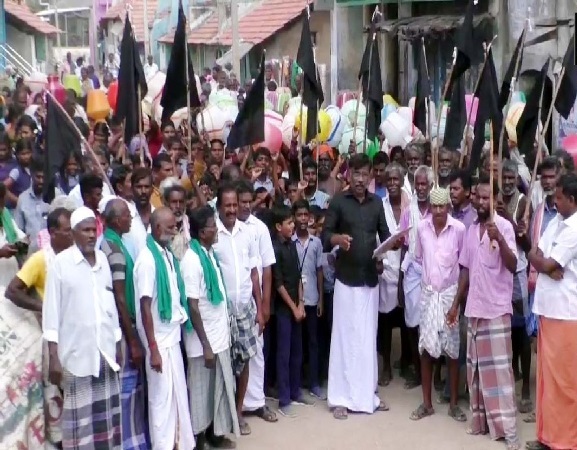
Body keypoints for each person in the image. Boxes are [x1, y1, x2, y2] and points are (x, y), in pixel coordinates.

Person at [43, 206, 122, 450]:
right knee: (81, 427)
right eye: (85, 230)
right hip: (77, 358)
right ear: (74, 234)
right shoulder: (61, 265)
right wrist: (54, 358)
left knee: (107, 423)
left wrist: (117, 343)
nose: (90, 235)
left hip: (105, 354)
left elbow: (110, 306)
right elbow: (51, 315)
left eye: (93, 229)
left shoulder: (103, 263)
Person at [452, 176, 520, 450]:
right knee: (476, 372)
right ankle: (481, 423)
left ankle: (508, 430)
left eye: (486, 198)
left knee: (500, 373)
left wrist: (500, 239)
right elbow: (466, 270)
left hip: (496, 309)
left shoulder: (503, 227)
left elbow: (514, 265)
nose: (481, 202)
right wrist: (456, 303)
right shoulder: (470, 230)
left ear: (494, 200)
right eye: (478, 197)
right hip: (475, 309)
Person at [322, 153, 391, 420]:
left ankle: (366, 395)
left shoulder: (377, 204)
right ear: (348, 175)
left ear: (372, 175)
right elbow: (325, 236)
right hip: (346, 279)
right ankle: (340, 398)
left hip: (369, 281)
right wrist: (338, 238)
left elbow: (385, 236)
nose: (361, 179)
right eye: (356, 174)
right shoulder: (339, 201)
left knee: (365, 338)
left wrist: (387, 251)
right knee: (343, 338)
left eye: (365, 174)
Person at [4, 207, 72, 449]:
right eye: (67, 231)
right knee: (55, 392)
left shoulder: (75, 257)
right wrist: (43, 307)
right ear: (53, 233)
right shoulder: (41, 258)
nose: (72, 235)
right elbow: (12, 290)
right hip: (52, 337)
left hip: (72, 335)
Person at [134, 207, 195, 450]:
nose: (175, 231)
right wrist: (153, 349)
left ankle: (178, 444)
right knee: (161, 402)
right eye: (172, 227)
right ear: (158, 228)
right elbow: (145, 307)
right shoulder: (147, 261)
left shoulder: (166, 254)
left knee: (177, 398)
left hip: (172, 338)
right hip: (158, 342)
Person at [181, 205, 240, 449]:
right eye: (212, 227)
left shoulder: (208, 255)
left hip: (218, 336)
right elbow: (193, 306)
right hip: (203, 342)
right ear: (201, 232)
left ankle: (215, 434)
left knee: (217, 390)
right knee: (200, 392)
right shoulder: (192, 261)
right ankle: (199, 440)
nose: (216, 229)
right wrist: (205, 345)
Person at [526, 172, 577, 450]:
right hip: (548, 309)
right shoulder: (557, 221)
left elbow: (545, 264)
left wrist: (544, 263)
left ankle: (566, 440)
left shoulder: (574, 228)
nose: (554, 203)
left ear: (572, 199)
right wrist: (543, 262)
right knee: (547, 380)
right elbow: (538, 255)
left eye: (559, 198)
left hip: (567, 314)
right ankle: (547, 437)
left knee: (566, 382)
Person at [409, 186, 467, 422]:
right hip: (429, 294)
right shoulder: (422, 228)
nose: (439, 210)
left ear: (449, 207)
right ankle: (427, 403)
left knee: (452, 351)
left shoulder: (460, 229)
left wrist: (455, 303)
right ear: (430, 207)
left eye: (442, 206)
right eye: (435, 206)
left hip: (450, 295)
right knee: (426, 349)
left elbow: (464, 266)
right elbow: (420, 258)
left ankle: (453, 404)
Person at [213, 183, 264, 435]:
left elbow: (254, 272)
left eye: (235, 205)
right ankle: (224, 415)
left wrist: (260, 308)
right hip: (222, 312)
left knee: (244, 363)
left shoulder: (248, 233)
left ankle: (240, 411)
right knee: (224, 365)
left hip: (245, 309)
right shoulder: (213, 235)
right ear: (219, 207)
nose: (232, 210)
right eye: (228, 206)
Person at [100, 198, 149, 450]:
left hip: (123, 326)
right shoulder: (114, 249)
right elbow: (119, 297)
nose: (131, 219)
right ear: (117, 219)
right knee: (128, 391)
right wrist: (133, 340)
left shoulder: (112, 242)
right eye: (127, 216)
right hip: (123, 328)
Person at [236, 181, 278, 424]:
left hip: (256, 301)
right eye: (239, 202)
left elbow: (266, 269)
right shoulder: (224, 227)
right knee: (238, 358)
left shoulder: (259, 228)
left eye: (247, 202)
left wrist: (265, 306)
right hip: (234, 303)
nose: (243, 206)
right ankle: (238, 407)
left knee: (257, 353)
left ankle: (257, 402)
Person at [496, 159, 533, 413]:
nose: (508, 182)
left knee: (520, 329)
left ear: (517, 179)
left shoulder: (522, 202)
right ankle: (508, 379)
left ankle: (526, 389)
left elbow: (524, 240)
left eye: (511, 178)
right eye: (504, 178)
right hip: (496, 270)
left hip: (517, 270)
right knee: (503, 327)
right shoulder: (494, 196)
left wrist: (507, 216)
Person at [271, 205, 308, 417]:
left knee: (297, 352)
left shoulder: (292, 245)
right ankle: (284, 398)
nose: (293, 226)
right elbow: (279, 284)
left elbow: (298, 276)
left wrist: (301, 302)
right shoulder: (275, 248)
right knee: (283, 354)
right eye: (289, 223)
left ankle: (296, 392)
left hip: (296, 306)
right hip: (284, 309)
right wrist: (293, 307)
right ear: (278, 226)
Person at [399, 165, 433, 389]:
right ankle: (417, 370)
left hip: (433, 271)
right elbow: (403, 245)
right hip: (412, 270)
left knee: (431, 322)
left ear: (431, 186)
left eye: (424, 184)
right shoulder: (407, 212)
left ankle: (432, 374)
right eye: (417, 184)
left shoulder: (439, 209)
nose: (420, 188)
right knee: (412, 322)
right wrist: (402, 281)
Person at [377, 162, 411, 386]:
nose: (392, 184)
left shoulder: (412, 205)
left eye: (395, 180)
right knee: (386, 322)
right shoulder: (380, 205)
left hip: (408, 270)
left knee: (408, 321)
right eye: (388, 180)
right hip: (387, 270)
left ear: (401, 180)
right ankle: (386, 366)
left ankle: (407, 363)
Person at [292, 199, 325, 400]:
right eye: (299, 215)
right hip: (296, 300)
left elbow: (319, 270)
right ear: (294, 217)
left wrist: (321, 298)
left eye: (306, 215)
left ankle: (314, 382)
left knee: (313, 341)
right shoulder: (290, 240)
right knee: (297, 343)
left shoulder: (317, 242)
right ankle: (297, 383)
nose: (303, 219)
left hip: (312, 297)